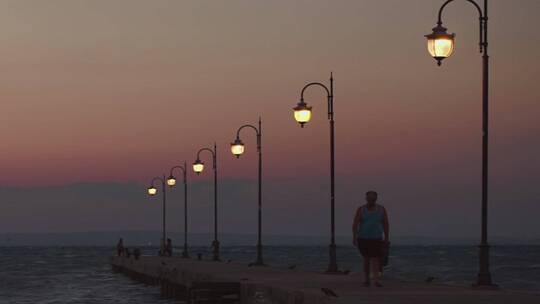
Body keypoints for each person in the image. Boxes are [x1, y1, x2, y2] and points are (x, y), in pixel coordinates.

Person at [352, 191, 389, 287]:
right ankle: (367, 279)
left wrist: (386, 237)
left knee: (376, 259)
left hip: (376, 238)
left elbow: (385, 223)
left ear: (375, 199)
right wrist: (354, 237)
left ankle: (376, 280)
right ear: (366, 199)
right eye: (368, 199)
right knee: (366, 259)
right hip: (363, 238)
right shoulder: (361, 210)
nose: (370, 201)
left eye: (372, 199)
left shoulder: (381, 209)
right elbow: (355, 224)